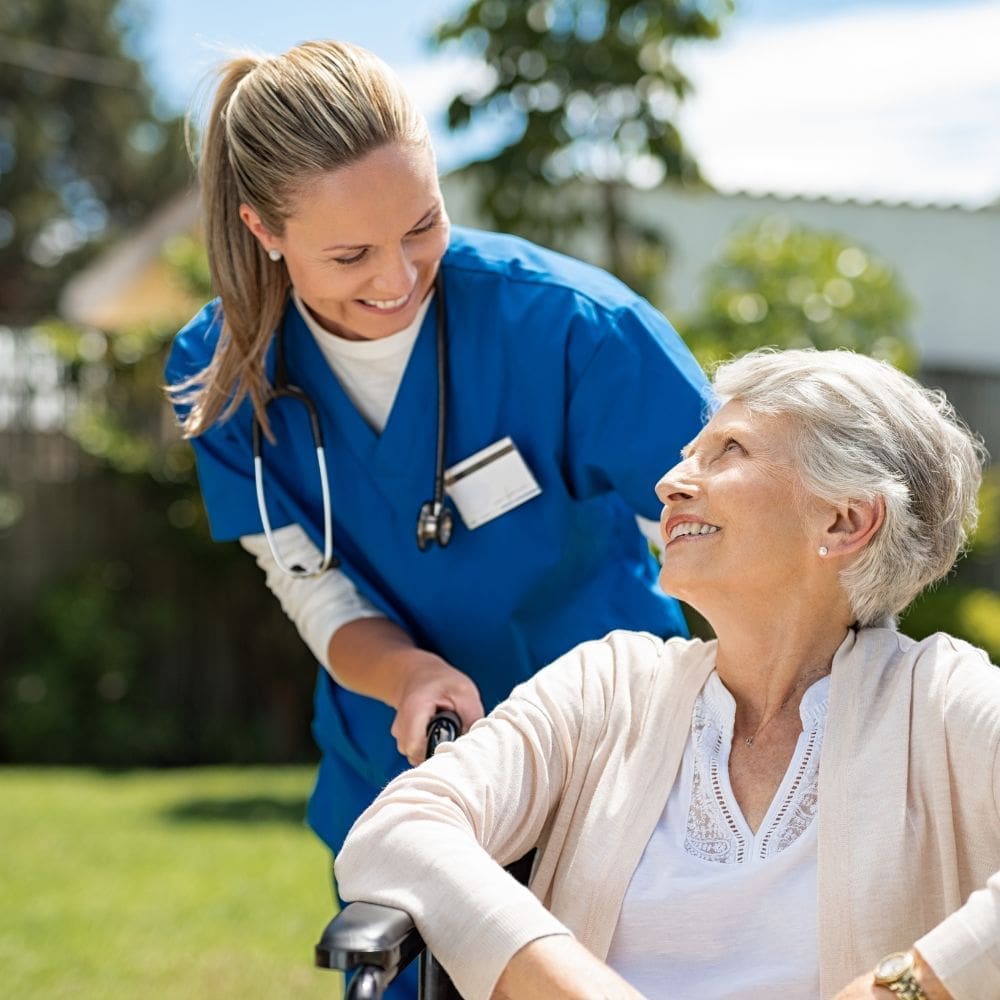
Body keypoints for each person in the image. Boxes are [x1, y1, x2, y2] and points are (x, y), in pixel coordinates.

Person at [164, 36, 708, 930]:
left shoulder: (577, 331)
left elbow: (740, 547)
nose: (398, 276)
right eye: (349, 257)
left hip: (617, 774)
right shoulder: (220, 375)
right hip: (406, 783)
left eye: (423, 224)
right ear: (263, 229)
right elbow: (315, 591)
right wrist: (409, 674)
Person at [336, 347, 1000, 1000]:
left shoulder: (940, 700)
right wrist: (572, 983)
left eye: (729, 452)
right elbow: (398, 831)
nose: (669, 482)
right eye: (689, 454)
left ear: (846, 519)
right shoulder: (609, 686)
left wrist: (906, 986)